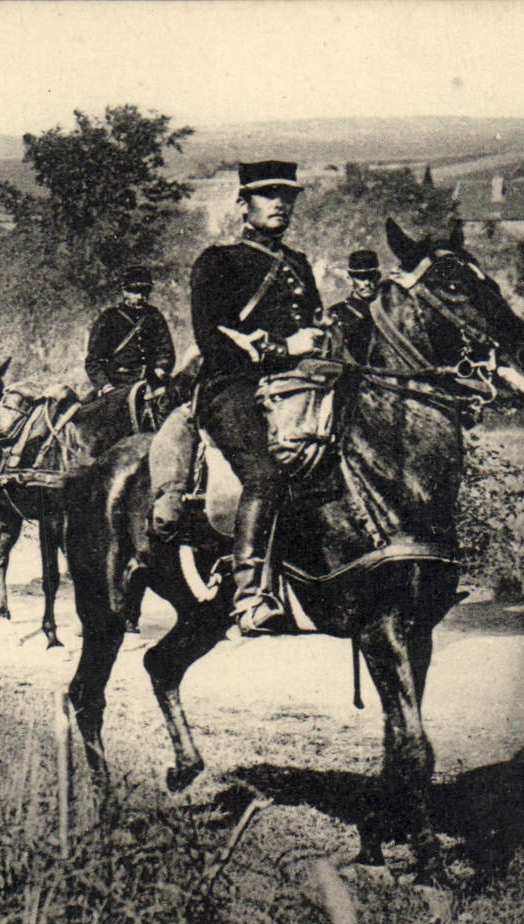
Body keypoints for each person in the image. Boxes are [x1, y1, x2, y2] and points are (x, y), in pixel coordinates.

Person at [190, 160, 324, 636]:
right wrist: (285, 348)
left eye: (287, 197)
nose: (280, 205)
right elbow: (211, 339)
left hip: (295, 388)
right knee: (265, 473)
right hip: (233, 387)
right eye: (269, 196)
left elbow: (313, 326)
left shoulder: (300, 265)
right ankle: (249, 597)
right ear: (243, 205)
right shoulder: (218, 261)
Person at [84, 266, 177, 392]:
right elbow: (93, 362)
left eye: (144, 292)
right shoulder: (109, 318)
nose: (140, 297)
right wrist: (106, 386)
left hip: (152, 381)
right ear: (125, 292)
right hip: (119, 385)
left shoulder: (154, 316)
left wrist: (160, 370)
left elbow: (166, 351)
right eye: (135, 291)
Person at [329, 250, 382, 365]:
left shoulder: (386, 313)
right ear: (349, 279)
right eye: (361, 277)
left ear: (378, 277)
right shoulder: (337, 315)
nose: (367, 282)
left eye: (371, 276)